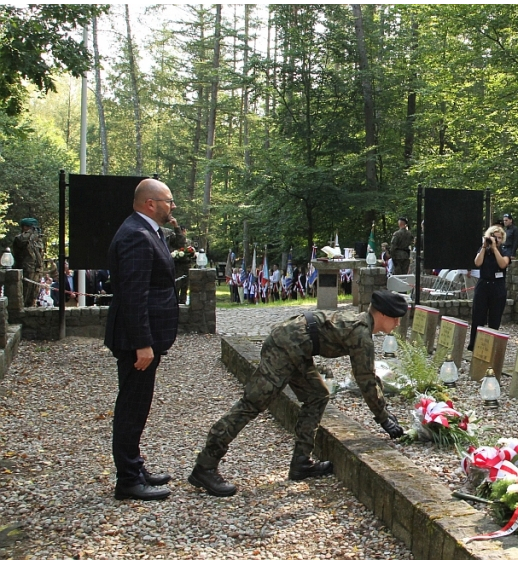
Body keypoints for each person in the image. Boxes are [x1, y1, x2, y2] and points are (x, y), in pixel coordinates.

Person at [188, 290, 410, 497]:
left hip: (298, 346)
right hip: (285, 345)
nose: (398, 323)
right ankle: (205, 467)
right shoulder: (361, 333)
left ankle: (301, 463)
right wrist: (384, 419)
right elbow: (366, 380)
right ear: (381, 314)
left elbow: (368, 377)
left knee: (317, 395)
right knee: (252, 403)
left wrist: (385, 414)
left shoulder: (361, 325)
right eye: (395, 318)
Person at [104, 178, 180, 501]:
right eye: (168, 201)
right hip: (138, 341)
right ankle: (128, 480)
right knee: (132, 408)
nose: (172, 207)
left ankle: (134, 466)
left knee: (137, 406)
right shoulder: (137, 235)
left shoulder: (148, 231)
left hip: (144, 338)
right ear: (151, 203)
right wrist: (142, 343)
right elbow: (135, 294)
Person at [468, 225, 511, 351]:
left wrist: (495, 248)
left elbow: (503, 264)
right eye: (493, 237)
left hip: (497, 287)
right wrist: (484, 246)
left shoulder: (504, 251)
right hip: (483, 285)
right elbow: (477, 263)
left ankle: (491, 346)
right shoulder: (483, 250)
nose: (496, 240)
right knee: (478, 316)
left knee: (495, 317)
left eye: (499, 238)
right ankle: (474, 345)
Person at [11, 217, 44, 307]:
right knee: (25, 293)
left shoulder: (37, 240)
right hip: (26, 270)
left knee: (34, 294)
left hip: (37, 270)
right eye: (30, 228)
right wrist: (29, 233)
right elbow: (21, 241)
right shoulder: (20, 239)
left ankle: (31, 308)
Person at [167, 222, 189, 304]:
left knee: (185, 285)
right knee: (177, 284)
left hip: (186, 264)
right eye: (182, 230)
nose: (184, 232)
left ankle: (183, 300)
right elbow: (179, 243)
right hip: (178, 264)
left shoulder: (188, 241)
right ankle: (175, 301)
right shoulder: (173, 238)